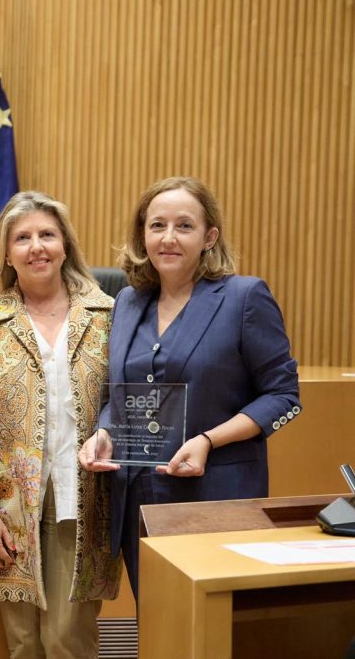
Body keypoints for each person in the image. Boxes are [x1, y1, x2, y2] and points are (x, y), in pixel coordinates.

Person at [79, 176, 301, 597]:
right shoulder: (128, 301)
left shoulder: (243, 297)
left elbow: (284, 396)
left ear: (209, 236)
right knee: (160, 627)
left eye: (184, 226)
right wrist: (105, 431)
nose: (169, 238)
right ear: (142, 235)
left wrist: (208, 440)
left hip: (214, 493)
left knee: (207, 631)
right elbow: (118, 394)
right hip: (138, 494)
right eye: (157, 225)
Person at [0, 192, 121, 658]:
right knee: (23, 642)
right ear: (7, 253)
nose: (36, 247)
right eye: (22, 238)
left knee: (66, 640)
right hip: (9, 506)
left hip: (84, 498)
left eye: (47, 234)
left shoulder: (109, 315)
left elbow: (122, 403)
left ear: (65, 244)